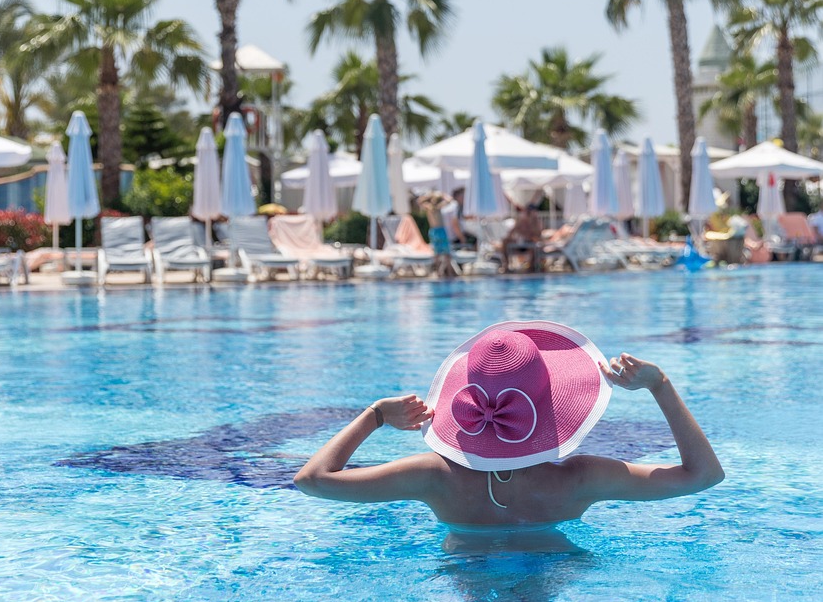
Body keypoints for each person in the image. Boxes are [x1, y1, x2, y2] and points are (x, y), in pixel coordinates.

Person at [294, 320, 724, 530]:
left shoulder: (433, 478)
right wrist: (660, 386)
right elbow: (704, 475)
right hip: (554, 585)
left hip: (464, 593)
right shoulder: (580, 479)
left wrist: (374, 415)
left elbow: (313, 480)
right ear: (554, 403)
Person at [416, 190, 459, 278]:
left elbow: (419, 201)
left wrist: (430, 196)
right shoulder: (436, 207)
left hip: (434, 231)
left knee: (439, 253)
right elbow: (450, 200)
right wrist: (442, 194)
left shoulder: (430, 207)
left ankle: (440, 272)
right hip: (440, 231)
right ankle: (446, 272)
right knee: (445, 253)